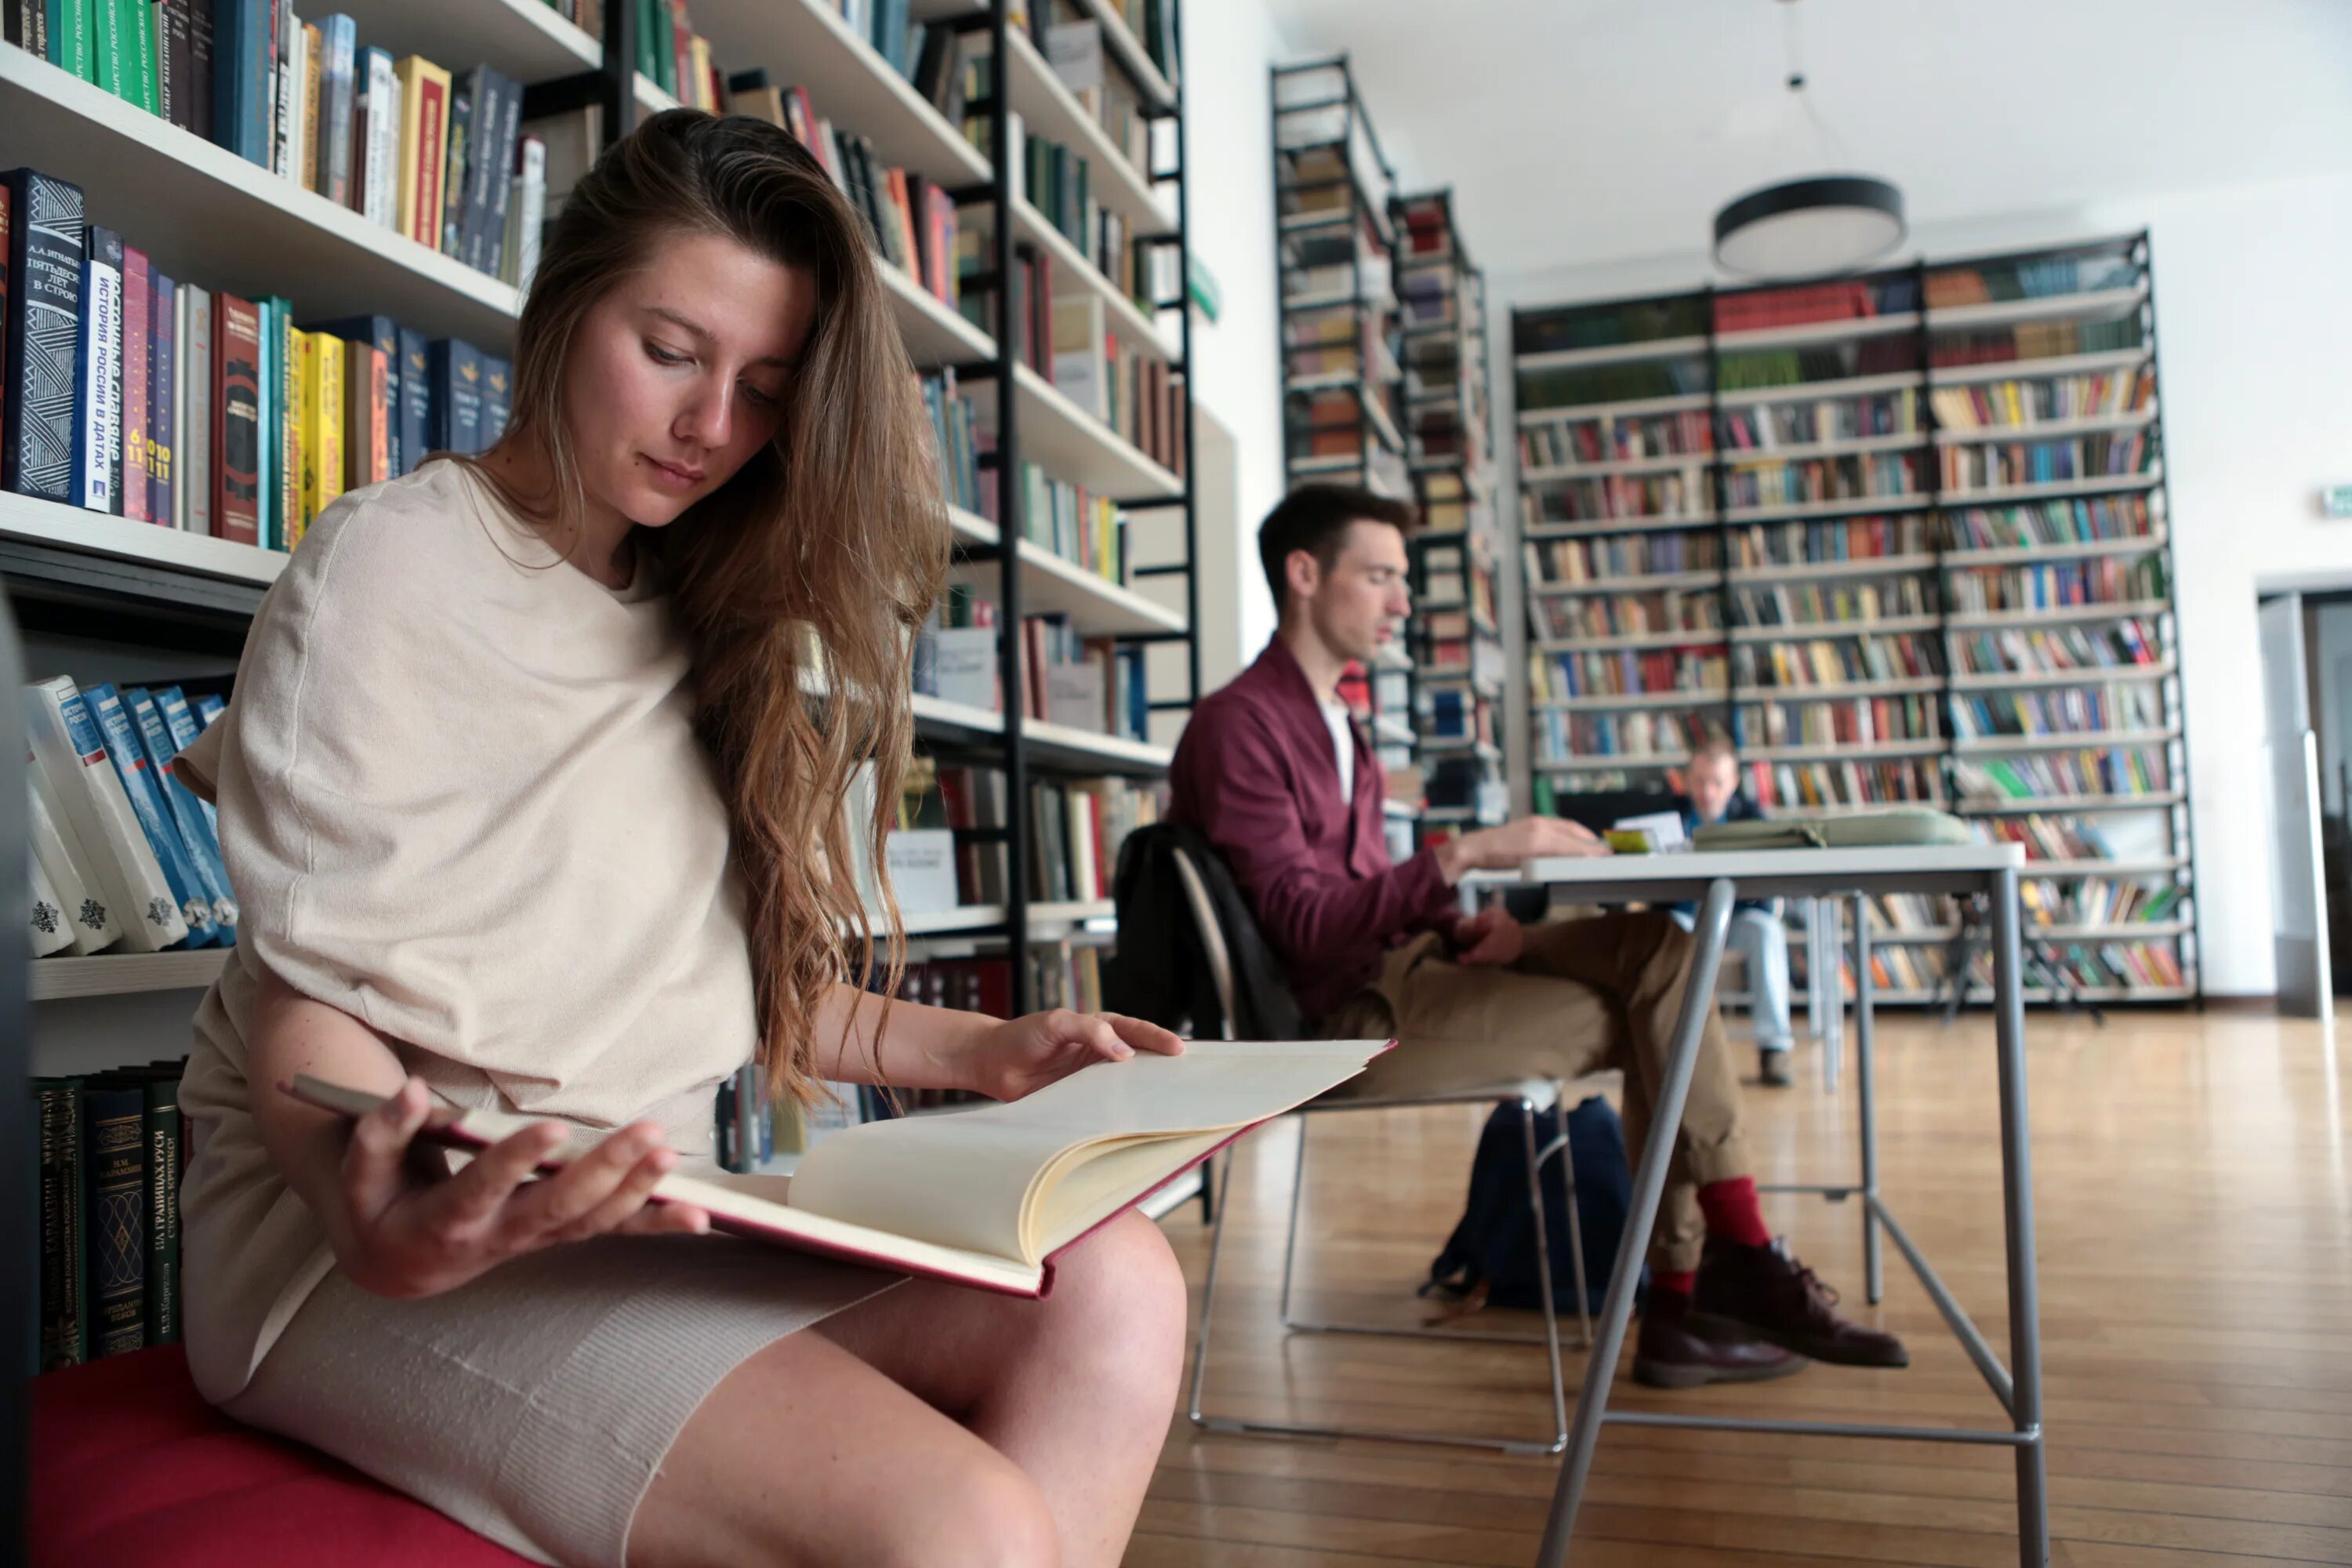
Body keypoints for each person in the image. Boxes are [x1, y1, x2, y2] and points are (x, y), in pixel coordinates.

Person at [171, 111, 1188, 1568]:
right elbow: (313, 994)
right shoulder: (396, 567)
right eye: (672, 352)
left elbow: (676, 980)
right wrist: (367, 1213)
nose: (715, 426)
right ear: (567, 307)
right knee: (965, 1527)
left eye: (767, 388)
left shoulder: (704, 610)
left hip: (640, 1206)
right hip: (377, 1253)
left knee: (1118, 1282)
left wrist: (988, 1051)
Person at [1167, 484, 1907, 1389]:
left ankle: (1710, 1280)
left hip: (1409, 966)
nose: (1402, 601)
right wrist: (1465, 854)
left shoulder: (1340, 720)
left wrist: (1461, 920)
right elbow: (1303, 924)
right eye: (1380, 576)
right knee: (1660, 1008)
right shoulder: (1242, 723)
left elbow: (1361, 888)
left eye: (1402, 579)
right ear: (1305, 574)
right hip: (1342, 1026)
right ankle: (1700, 1283)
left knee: (1660, 950)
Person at [1679, 731, 1797, 1087]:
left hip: (1735, 918)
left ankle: (1773, 1048)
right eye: (1699, 781)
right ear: (1688, 780)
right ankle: (1674, 1045)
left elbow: (1767, 885)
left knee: (1767, 932)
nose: (1707, 791)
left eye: (1716, 782)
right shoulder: (1670, 817)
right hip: (1684, 918)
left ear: (1732, 783)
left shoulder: (1752, 818)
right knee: (1660, 932)